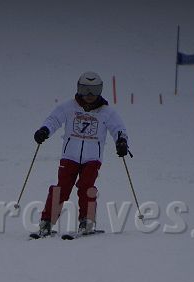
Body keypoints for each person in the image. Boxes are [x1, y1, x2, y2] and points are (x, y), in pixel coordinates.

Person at [33, 71, 129, 236]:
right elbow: (54, 120)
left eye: (94, 90)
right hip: (69, 156)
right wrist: (44, 130)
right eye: (85, 90)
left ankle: (87, 221)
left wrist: (122, 141)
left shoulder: (107, 112)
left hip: (92, 158)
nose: (90, 95)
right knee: (62, 188)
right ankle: (46, 222)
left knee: (86, 187)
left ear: (100, 90)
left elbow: (119, 128)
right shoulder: (68, 107)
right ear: (78, 89)